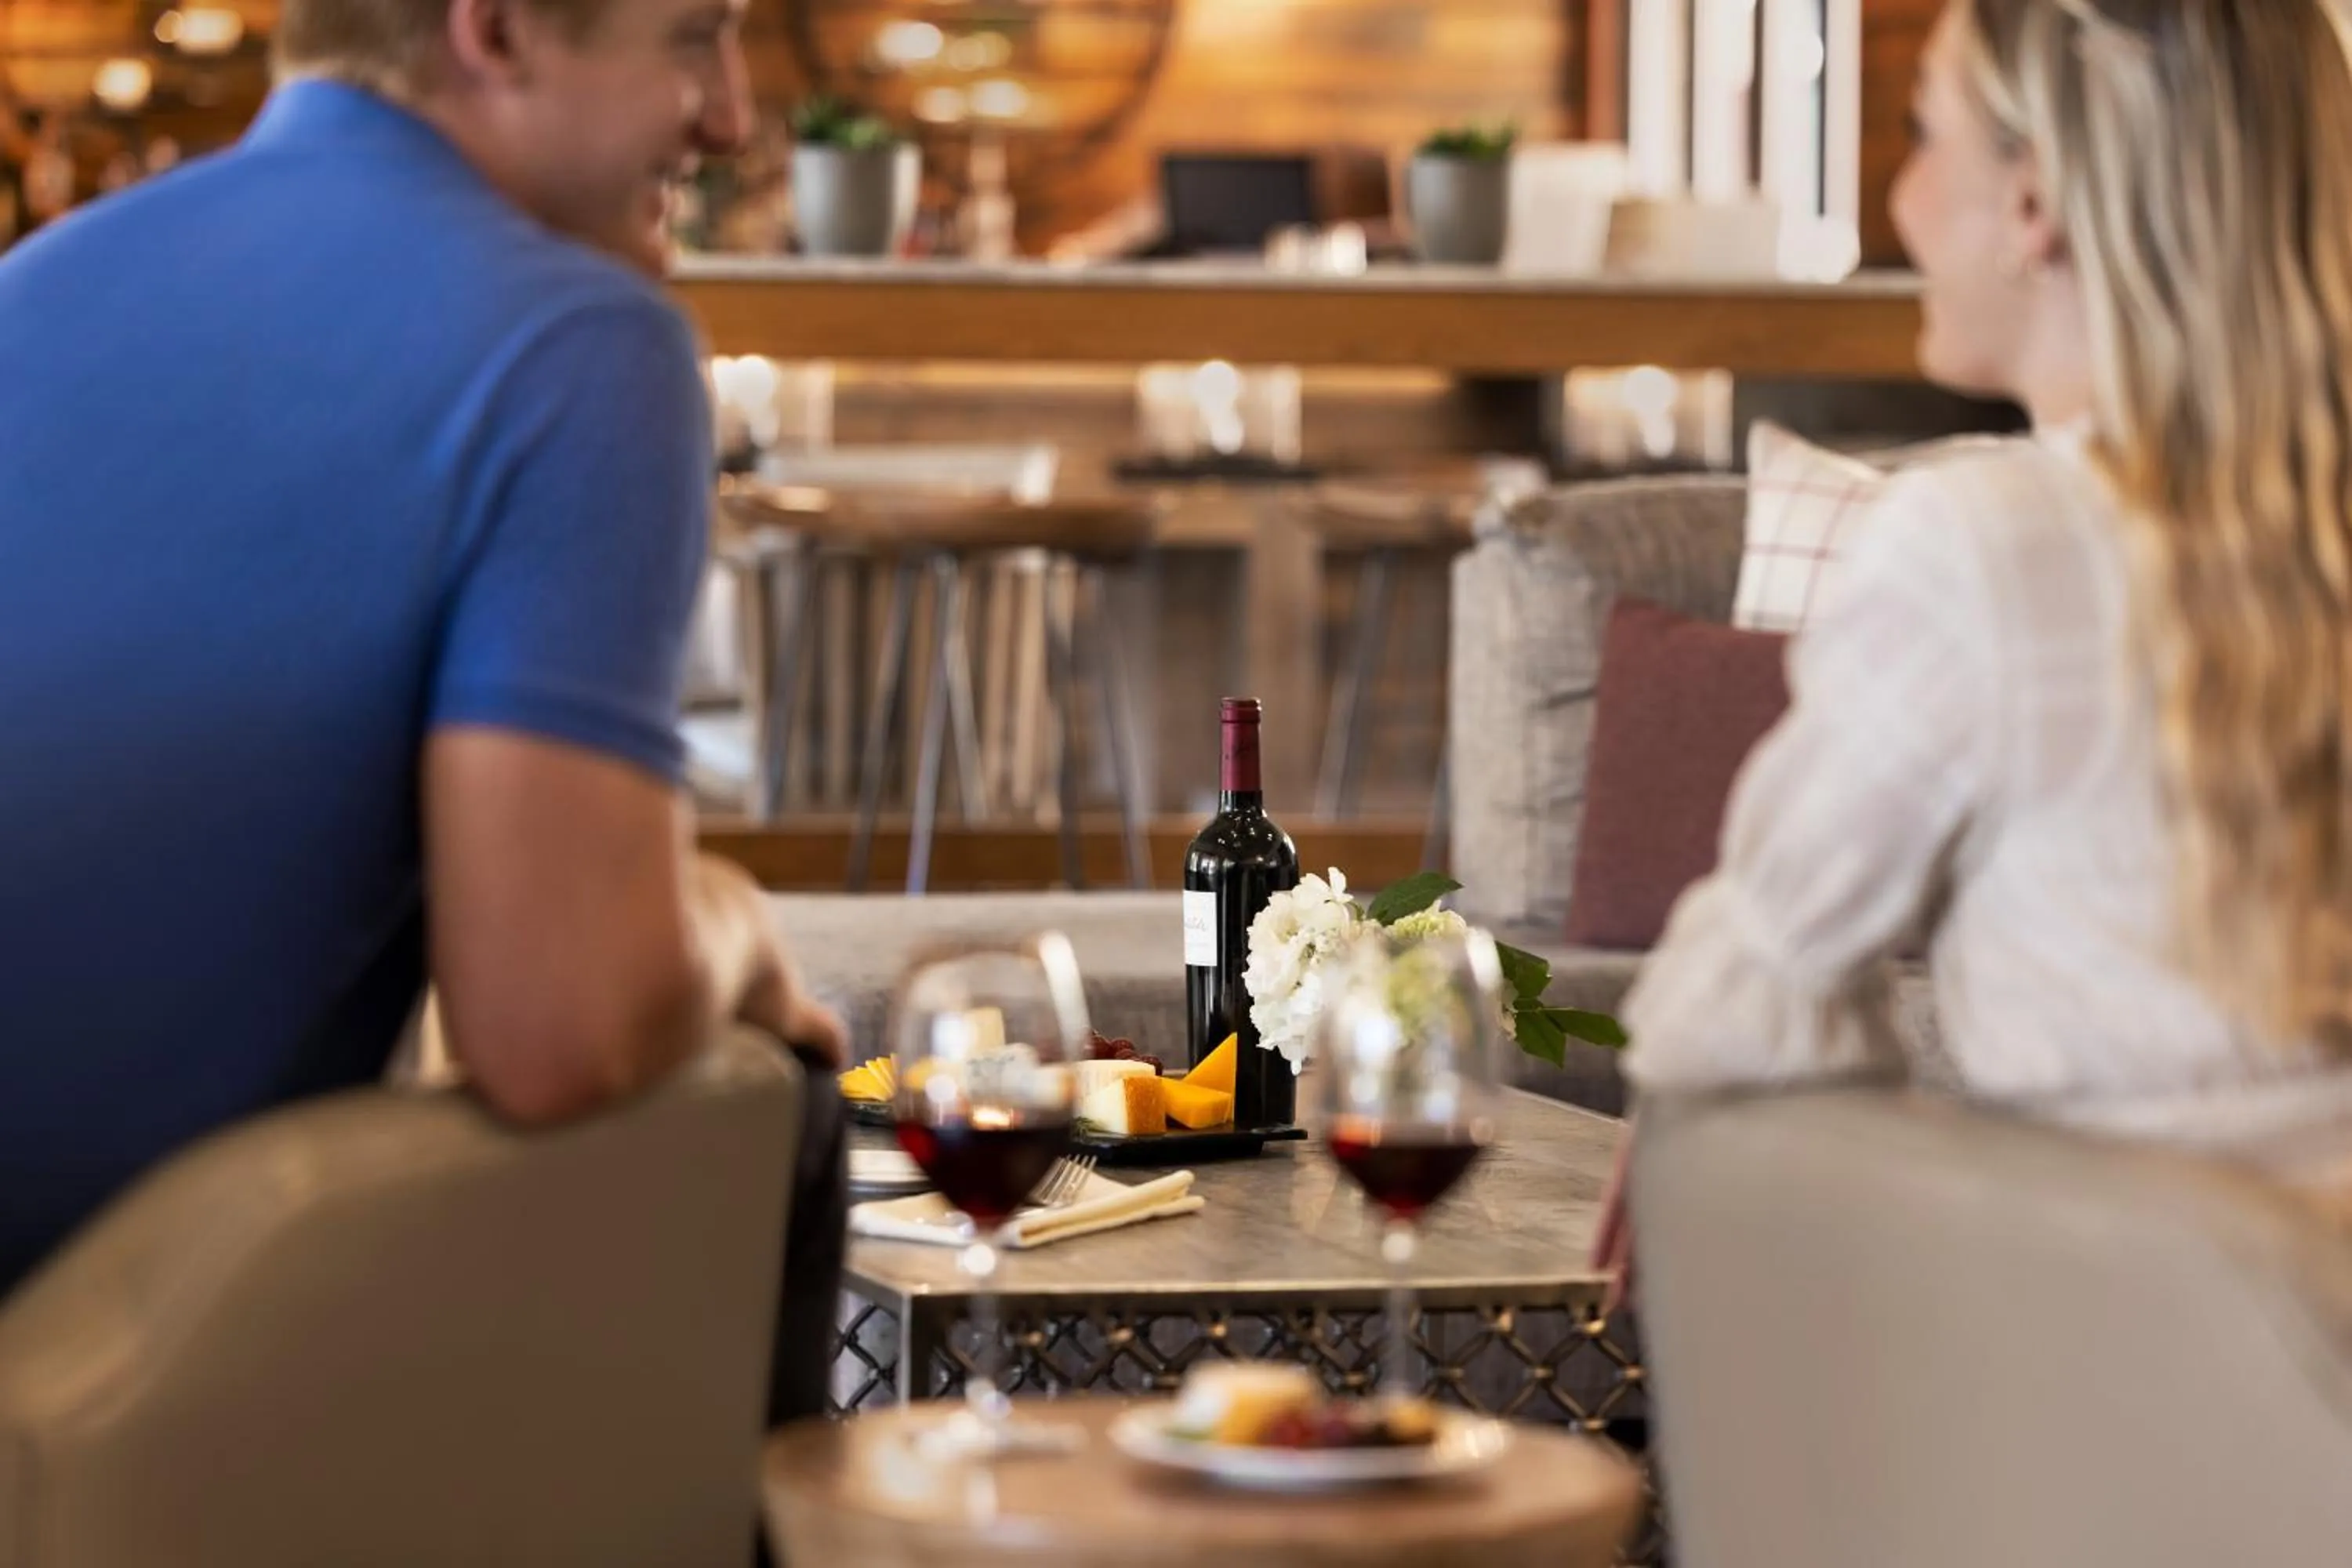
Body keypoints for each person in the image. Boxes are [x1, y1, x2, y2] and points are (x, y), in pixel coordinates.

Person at [0, 0, 851, 1428]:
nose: (729, 117)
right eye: (693, 41)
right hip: (72, 1385)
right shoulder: (581, 343)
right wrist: (735, 930)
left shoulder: (40, 280)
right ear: (498, 32)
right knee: (781, 1111)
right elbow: (559, 1030)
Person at [1595, 0, 2352, 1289]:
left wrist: (1672, 1114)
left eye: (1921, 134)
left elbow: (1754, 994)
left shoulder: (1985, 546)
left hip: (2134, 1385)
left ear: (2036, 204)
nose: (1902, 200)